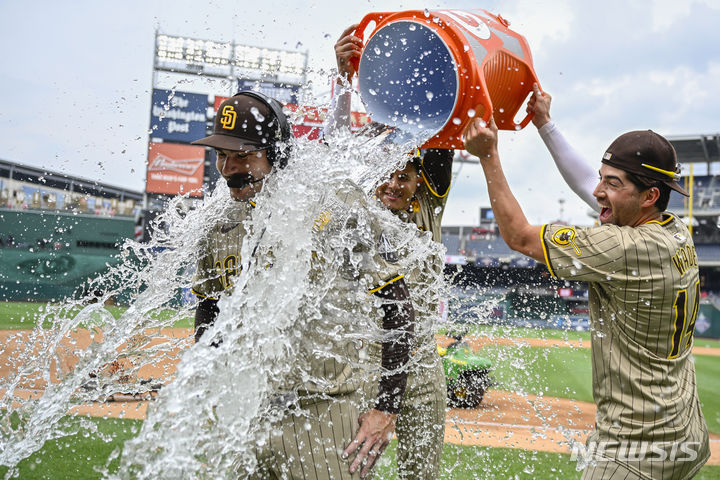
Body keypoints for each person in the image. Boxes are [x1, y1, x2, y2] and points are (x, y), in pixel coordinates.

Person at [464, 108, 710, 479]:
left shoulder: (623, 248)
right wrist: (545, 124)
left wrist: (488, 156)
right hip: (685, 434)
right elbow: (593, 191)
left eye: (611, 183)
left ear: (649, 196)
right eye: (601, 179)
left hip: (634, 449)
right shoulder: (675, 230)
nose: (598, 192)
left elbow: (518, 235)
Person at [190, 90, 415, 479]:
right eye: (221, 155)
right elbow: (209, 309)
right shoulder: (218, 225)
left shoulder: (335, 204)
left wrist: (386, 407)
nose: (228, 168)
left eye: (242, 156)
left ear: (276, 155)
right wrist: (206, 381)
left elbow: (397, 305)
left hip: (324, 413)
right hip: (247, 409)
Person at [330, 25, 452, 480]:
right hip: (364, 369)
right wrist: (344, 79)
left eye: (405, 176)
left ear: (420, 183)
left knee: (421, 477)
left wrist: (438, 58)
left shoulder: (428, 210)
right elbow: (336, 151)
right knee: (347, 472)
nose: (393, 184)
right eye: (386, 173)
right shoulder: (358, 210)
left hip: (422, 373)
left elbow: (439, 131)